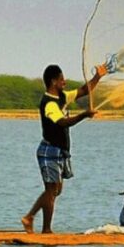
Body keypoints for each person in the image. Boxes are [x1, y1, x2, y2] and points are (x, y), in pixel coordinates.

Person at [21, 63, 107, 234]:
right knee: (51, 191)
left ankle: (32, 219)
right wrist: (84, 115)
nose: (64, 82)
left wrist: (98, 76)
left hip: (60, 151)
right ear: (53, 81)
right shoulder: (49, 104)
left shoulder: (62, 96)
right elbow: (63, 123)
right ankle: (42, 226)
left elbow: (83, 90)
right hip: (49, 151)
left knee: (56, 190)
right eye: (61, 79)